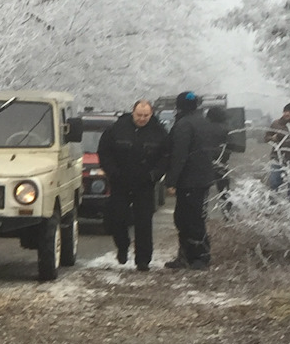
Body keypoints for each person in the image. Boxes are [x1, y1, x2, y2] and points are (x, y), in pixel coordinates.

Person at [95, 99, 169, 270]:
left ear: (151, 114)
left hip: (145, 183)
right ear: (133, 112)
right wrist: (112, 171)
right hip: (120, 181)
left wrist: (154, 175)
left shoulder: (159, 132)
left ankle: (143, 260)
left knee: (144, 222)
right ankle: (122, 246)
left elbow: (166, 157)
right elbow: (104, 152)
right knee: (117, 219)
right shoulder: (117, 129)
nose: (142, 119)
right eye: (139, 115)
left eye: (146, 115)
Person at [163, 91, 223, 270]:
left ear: (179, 105)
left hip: (189, 180)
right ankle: (190, 256)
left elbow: (179, 154)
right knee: (193, 218)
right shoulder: (203, 122)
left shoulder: (184, 124)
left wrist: (171, 180)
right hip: (202, 178)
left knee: (188, 219)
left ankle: (198, 258)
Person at [264, 102, 290, 194]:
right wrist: (272, 138)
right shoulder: (276, 124)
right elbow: (266, 138)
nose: (286, 114)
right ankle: (272, 203)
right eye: (285, 111)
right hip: (277, 158)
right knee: (274, 182)